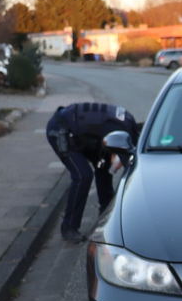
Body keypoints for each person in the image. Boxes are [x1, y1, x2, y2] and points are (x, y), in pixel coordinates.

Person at [46, 102, 141, 243]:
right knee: (82, 175)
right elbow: (133, 173)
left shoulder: (128, 122)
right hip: (60, 129)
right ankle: (69, 227)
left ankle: (106, 213)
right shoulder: (122, 130)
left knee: (103, 166)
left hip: (82, 133)